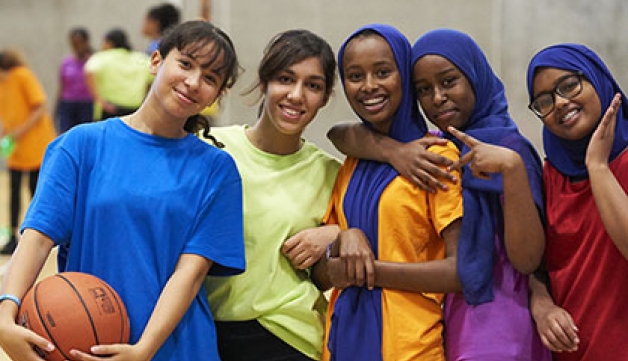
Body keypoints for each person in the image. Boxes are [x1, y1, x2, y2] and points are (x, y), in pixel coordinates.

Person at [0, 20, 245, 361]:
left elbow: (190, 275)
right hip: (85, 346)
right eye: (186, 64)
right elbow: (37, 239)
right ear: (156, 61)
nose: (193, 82)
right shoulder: (80, 145)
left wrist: (143, 350)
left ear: (216, 96)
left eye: (210, 78)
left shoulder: (218, 170)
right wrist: (5, 312)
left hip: (177, 349)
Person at [327, 28, 550, 360]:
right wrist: (393, 152)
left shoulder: (504, 148)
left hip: (498, 323)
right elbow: (341, 134)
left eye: (449, 82)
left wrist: (366, 271)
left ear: (474, 75)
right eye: (424, 89)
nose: (437, 98)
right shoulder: (427, 149)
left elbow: (528, 259)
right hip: (450, 320)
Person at [316, 24, 463, 361]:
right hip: (341, 343)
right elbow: (323, 274)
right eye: (355, 76)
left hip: (411, 347)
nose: (369, 86)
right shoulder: (352, 164)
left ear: (404, 76)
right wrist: (343, 238)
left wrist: (370, 272)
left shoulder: (437, 157)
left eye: (382, 72)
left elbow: (460, 271)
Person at [205, 29, 340, 361]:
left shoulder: (332, 173)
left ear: (324, 98)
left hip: (288, 335)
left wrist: (336, 233)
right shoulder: (209, 146)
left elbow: (373, 239)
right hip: (204, 328)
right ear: (264, 82)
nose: (296, 95)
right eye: (285, 78)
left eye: (313, 85)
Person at [526, 43, 628, 361]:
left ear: (596, 78)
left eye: (569, 85)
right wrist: (540, 304)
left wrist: (597, 166)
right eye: (543, 101)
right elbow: (535, 267)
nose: (559, 103)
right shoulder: (548, 176)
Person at [0, 48, 56, 255]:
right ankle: (13, 236)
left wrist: (18, 132)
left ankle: (40, 237)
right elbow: (7, 114)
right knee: (14, 192)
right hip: (17, 146)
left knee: (36, 192)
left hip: (35, 143)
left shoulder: (22, 76)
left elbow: (40, 107)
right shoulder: (2, 84)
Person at [84, 28, 152, 120]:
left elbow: (89, 72)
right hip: (135, 107)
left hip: (109, 108)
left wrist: (100, 100)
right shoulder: (141, 58)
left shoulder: (102, 57)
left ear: (109, 43)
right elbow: (153, 77)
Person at [55, 27, 94, 133]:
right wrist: (56, 110)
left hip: (87, 104)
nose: (77, 47)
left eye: (79, 43)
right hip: (68, 104)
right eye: (74, 44)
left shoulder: (93, 61)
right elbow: (62, 86)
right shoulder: (66, 63)